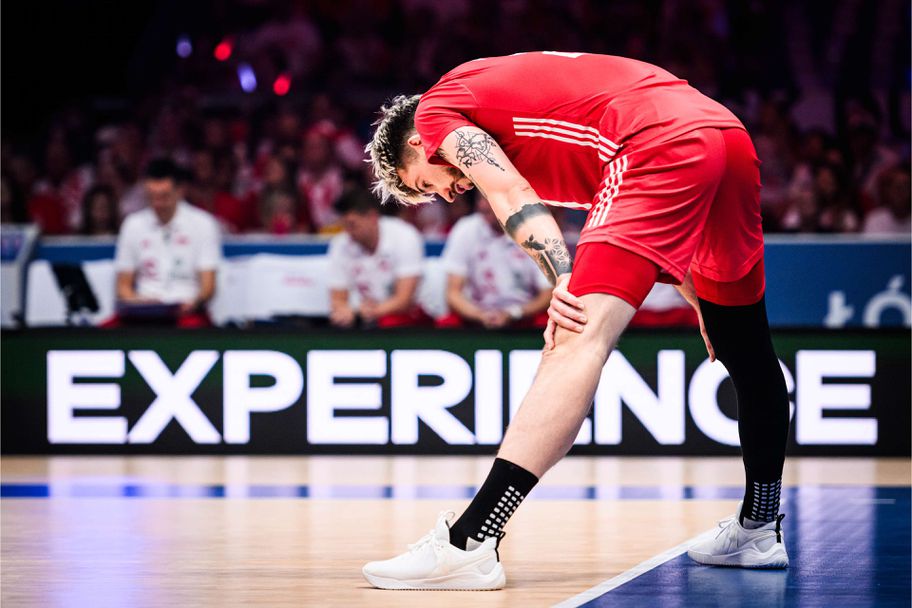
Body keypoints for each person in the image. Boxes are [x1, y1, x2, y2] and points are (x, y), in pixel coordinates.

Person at [362, 52, 791, 590]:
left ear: (417, 144)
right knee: (745, 346)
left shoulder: (435, 114)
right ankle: (759, 528)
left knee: (574, 335)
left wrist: (562, 278)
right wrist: (697, 297)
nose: (444, 194)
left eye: (424, 184)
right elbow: (659, 222)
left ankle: (469, 542)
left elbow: (509, 193)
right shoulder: (513, 122)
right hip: (723, 135)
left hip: (652, 141)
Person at [107, 158, 221, 328]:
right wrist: (138, 301)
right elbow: (123, 286)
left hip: (186, 309)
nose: (158, 203)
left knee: (194, 327)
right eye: (152, 197)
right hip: (144, 309)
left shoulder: (203, 224)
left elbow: (208, 286)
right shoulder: (132, 225)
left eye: (164, 196)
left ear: (180, 191)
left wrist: (193, 303)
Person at [437, 192, 550, 329]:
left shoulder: (535, 229)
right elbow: (453, 293)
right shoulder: (465, 228)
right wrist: (481, 315)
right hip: (476, 317)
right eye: (480, 199)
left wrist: (513, 313)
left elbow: (548, 293)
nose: (482, 205)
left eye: (489, 199)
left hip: (525, 317)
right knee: (447, 322)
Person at [326, 188, 430, 329]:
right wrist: (344, 312)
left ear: (372, 217)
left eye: (352, 225)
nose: (348, 232)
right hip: (364, 316)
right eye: (345, 226)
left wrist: (360, 313)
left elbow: (404, 300)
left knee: (386, 323)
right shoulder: (340, 244)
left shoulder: (405, 236)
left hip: (409, 316)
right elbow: (337, 299)